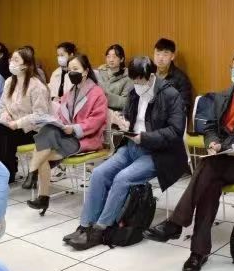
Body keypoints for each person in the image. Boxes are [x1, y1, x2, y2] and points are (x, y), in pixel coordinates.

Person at [146, 50, 234, 271]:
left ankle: (176, 225)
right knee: (210, 182)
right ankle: (197, 252)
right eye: (233, 66)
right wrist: (213, 143)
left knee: (207, 168)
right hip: (220, 158)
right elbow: (210, 128)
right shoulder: (223, 96)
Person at [65, 56, 188, 250]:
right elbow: (130, 117)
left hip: (158, 153)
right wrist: (123, 122)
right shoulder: (134, 92)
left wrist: (145, 137)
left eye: (141, 80)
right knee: (99, 174)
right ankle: (85, 225)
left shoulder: (170, 94)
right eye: (134, 80)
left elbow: (175, 131)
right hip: (132, 146)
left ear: (151, 76)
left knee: (122, 178)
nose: (137, 85)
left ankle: (100, 229)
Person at [27, 54, 108, 212]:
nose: (72, 73)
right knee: (47, 132)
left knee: (41, 154)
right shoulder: (70, 92)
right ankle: (41, 194)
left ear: (86, 71)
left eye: (75, 69)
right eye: (70, 70)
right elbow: (61, 116)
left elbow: (97, 120)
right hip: (67, 135)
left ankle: (35, 178)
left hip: (86, 138)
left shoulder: (97, 92)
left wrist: (75, 128)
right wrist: (58, 123)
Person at [0, 47, 50, 182]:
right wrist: (5, 115)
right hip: (11, 126)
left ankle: (6, 173)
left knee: (3, 133)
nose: (11, 63)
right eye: (11, 59)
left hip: (33, 130)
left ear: (25, 65)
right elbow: (3, 105)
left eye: (16, 60)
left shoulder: (37, 86)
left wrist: (18, 123)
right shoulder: (9, 81)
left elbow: (40, 115)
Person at [153, 37, 194, 119]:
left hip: (168, 120)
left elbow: (184, 106)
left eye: (165, 54)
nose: (160, 58)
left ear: (172, 56)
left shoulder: (180, 78)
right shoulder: (148, 74)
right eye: (157, 53)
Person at [97, 44, 132, 112]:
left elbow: (126, 102)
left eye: (114, 57)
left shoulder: (128, 77)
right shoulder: (100, 73)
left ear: (122, 59)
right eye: (108, 56)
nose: (111, 60)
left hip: (117, 113)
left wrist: (106, 97)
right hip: (99, 111)